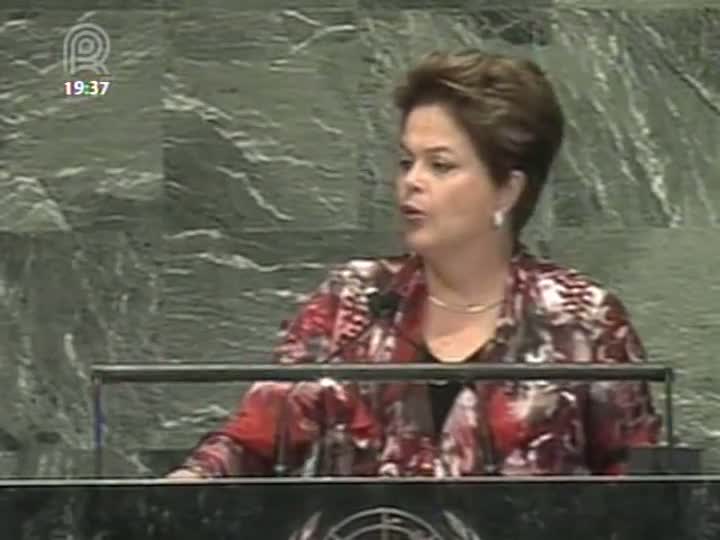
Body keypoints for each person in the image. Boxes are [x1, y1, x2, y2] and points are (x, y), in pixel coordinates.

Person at [167, 50, 660, 479]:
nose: (412, 182)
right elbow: (252, 441)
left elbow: (643, 495)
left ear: (507, 190)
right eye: (407, 162)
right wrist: (191, 481)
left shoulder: (583, 322)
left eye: (440, 165)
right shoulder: (350, 304)